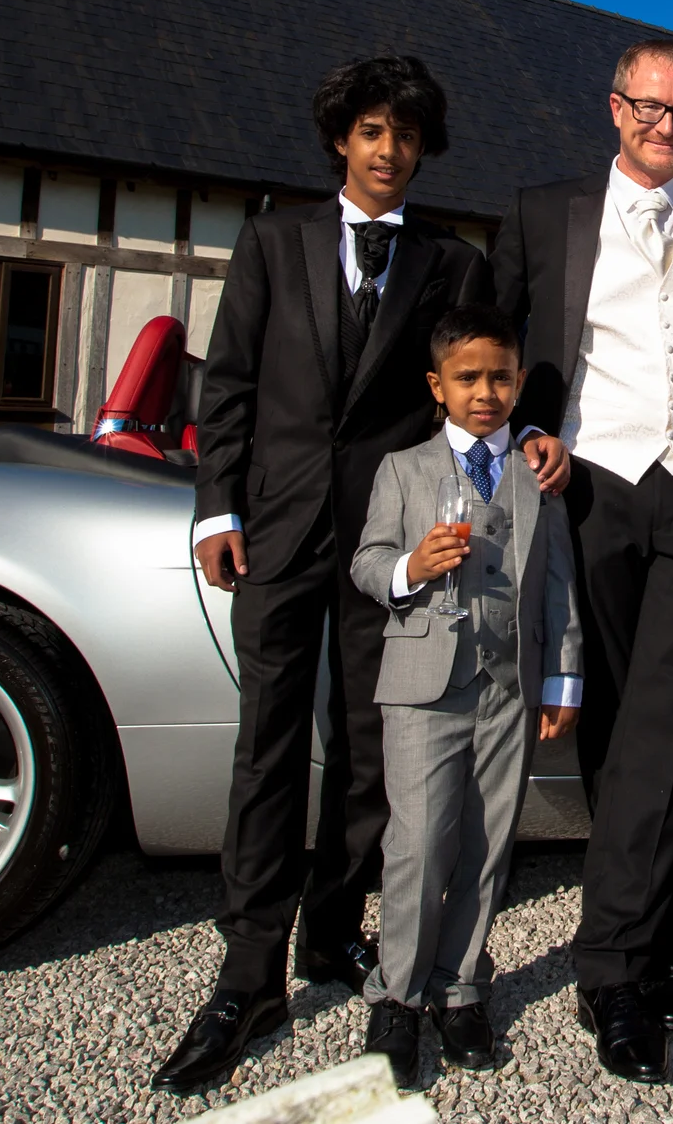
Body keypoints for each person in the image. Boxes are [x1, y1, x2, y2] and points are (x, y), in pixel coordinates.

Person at [156, 55, 493, 1098]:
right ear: (342, 139)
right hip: (276, 528)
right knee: (265, 749)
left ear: (425, 150)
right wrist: (217, 505)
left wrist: (516, 445)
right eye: (372, 130)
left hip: (384, 543)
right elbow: (233, 385)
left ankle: (332, 934)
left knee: (366, 750)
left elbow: (467, 386)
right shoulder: (271, 241)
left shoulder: (450, 261)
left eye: (407, 134)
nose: (389, 149)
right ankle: (248, 971)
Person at [488, 38, 673, 1084]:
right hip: (593, 482)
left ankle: (612, 964)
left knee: (666, 711)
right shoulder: (543, 209)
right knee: (613, 712)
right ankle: (653, 918)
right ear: (614, 107)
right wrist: (523, 426)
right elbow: (488, 332)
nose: (670, 129)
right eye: (653, 110)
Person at [347, 305, 583, 1090]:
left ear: (518, 383)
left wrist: (563, 677)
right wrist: (410, 567)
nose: (486, 391)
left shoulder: (537, 470)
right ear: (437, 385)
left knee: (488, 843)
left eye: (501, 377)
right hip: (422, 688)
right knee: (416, 844)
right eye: (469, 377)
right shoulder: (403, 469)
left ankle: (462, 985)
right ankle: (397, 997)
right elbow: (367, 561)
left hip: (508, 687)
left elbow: (558, 582)